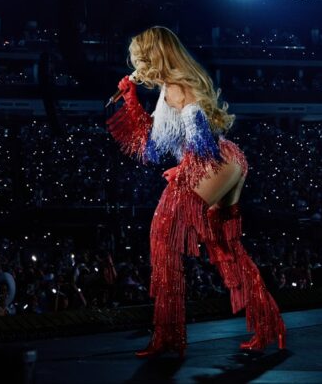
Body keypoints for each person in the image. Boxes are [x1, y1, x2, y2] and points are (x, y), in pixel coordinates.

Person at [106, 26, 286, 358]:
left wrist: (184, 168)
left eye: (138, 57)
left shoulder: (176, 89)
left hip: (210, 162)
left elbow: (199, 136)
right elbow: (152, 147)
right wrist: (131, 100)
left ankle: (169, 337)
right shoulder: (169, 90)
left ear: (152, 56)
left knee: (162, 238)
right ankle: (268, 328)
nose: (135, 64)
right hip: (228, 161)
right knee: (226, 248)